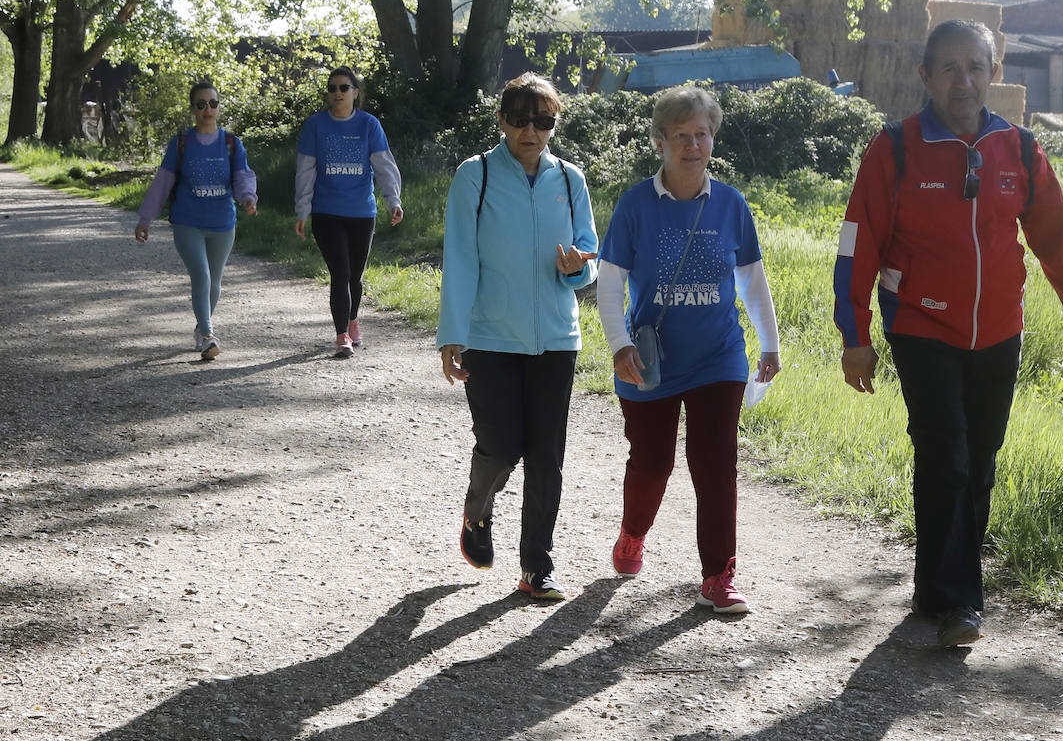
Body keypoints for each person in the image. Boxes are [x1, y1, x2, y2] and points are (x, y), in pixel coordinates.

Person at [832, 19, 1063, 647]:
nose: (962, 81)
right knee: (947, 453)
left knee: (979, 461)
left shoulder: (1018, 149)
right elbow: (859, 245)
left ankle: (935, 588)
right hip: (920, 325)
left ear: (993, 71)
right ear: (925, 76)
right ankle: (963, 601)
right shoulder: (896, 148)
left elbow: (1054, 235)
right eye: (949, 68)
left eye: (975, 67)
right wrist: (855, 334)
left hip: (998, 331)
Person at [597, 85, 781, 615]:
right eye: (681, 135)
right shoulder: (635, 205)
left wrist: (768, 342)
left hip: (719, 356)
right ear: (661, 142)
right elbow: (611, 285)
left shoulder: (729, 203)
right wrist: (619, 344)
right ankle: (633, 533)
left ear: (711, 138)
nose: (693, 145)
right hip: (650, 360)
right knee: (652, 462)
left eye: (701, 134)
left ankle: (718, 576)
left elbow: (749, 277)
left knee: (715, 461)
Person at [437, 73, 599, 601]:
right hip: (490, 337)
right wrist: (452, 335)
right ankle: (477, 512)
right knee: (502, 446)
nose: (532, 130)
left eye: (543, 120)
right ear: (502, 120)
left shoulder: (571, 179)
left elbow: (588, 262)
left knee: (546, 456)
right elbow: (460, 258)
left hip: (556, 338)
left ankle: (536, 567)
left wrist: (577, 268)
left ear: (554, 124)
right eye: (521, 118)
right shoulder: (475, 176)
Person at [135, 82, 258, 360]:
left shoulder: (230, 143)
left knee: (214, 281)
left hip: (222, 222)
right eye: (201, 104)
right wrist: (146, 219)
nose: (207, 109)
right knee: (201, 275)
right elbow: (163, 182)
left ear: (218, 107)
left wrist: (248, 198)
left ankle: (202, 326)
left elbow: (242, 176)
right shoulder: (182, 142)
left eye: (212, 104)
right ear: (192, 109)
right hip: (187, 221)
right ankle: (207, 335)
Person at [294, 66, 403, 358]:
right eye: (332, 89)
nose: (338, 93)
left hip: (361, 213)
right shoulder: (316, 126)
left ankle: (353, 320)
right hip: (326, 212)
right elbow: (306, 171)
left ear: (355, 92)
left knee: (355, 275)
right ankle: (342, 334)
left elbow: (384, 166)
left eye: (344, 88)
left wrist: (393, 200)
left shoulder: (369, 125)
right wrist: (302, 211)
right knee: (340, 273)